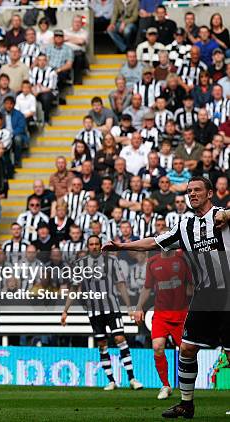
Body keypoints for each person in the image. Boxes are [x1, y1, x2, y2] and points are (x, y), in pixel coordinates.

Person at [102, 176, 230, 418]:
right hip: (204, 296)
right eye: (189, 191)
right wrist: (121, 246)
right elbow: (154, 242)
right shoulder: (185, 226)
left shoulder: (221, 215)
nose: (192, 194)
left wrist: (228, 214)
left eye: (197, 190)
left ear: (210, 193)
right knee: (188, 349)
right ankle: (186, 403)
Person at [61, 235, 144, 391]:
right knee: (102, 344)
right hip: (94, 310)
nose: (94, 246)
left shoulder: (111, 261)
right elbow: (74, 288)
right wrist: (65, 311)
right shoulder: (80, 264)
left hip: (112, 307)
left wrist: (129, 307)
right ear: (87, 246)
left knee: (120, 338)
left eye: (96, 244)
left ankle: (132, 379)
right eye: (91, 244)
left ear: (100, 245)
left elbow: (120, 285)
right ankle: (111, 380)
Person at [133, 247, 191, 400]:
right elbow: (147, 287)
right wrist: (139, 307)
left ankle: (187, 387)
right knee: (157, 347)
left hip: (181, 314)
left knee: (187, 352)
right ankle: (165, 385)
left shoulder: (183, 258)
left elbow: (192, 284)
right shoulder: (152, 262)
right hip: (161, 314)